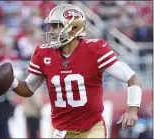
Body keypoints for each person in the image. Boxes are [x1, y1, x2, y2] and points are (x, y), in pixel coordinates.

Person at [9, 4, 142, 138]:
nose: (52, 31)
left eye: (56, 26)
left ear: (74, 27)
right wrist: (11, 82)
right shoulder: (44, 54)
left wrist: (132, 109)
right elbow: (28, 89)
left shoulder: (94, 49)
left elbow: (131, 77)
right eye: (51, 26)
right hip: (62, 131)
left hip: (92, 129)